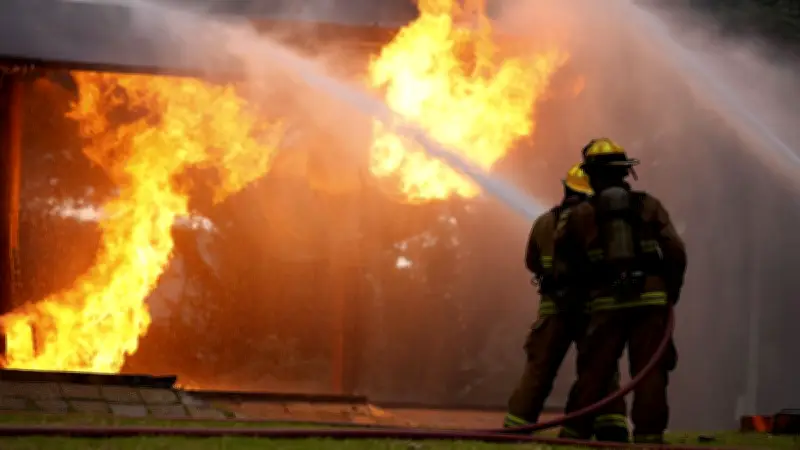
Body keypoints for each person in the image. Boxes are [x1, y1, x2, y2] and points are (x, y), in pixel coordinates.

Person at [554, 138, 687, 444]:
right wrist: (670, 291)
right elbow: (676, 252)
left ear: (590, 175)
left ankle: (573, 436)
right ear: (625, 172)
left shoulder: (580, 215)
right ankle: (649, 439)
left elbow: (564, 266)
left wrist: (581, 298)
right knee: (650, 373)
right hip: (652, 299)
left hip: (607, 300)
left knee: (594, 370)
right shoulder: (650, 206)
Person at [504, 163, 629, 442]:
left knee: (538, 371)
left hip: (553, 310)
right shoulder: (598, 221)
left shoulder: (544, 222)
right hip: (590, 309)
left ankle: (516, 428)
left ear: (566, 188)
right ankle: (612, 428)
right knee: (601, 368)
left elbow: (532, 262)